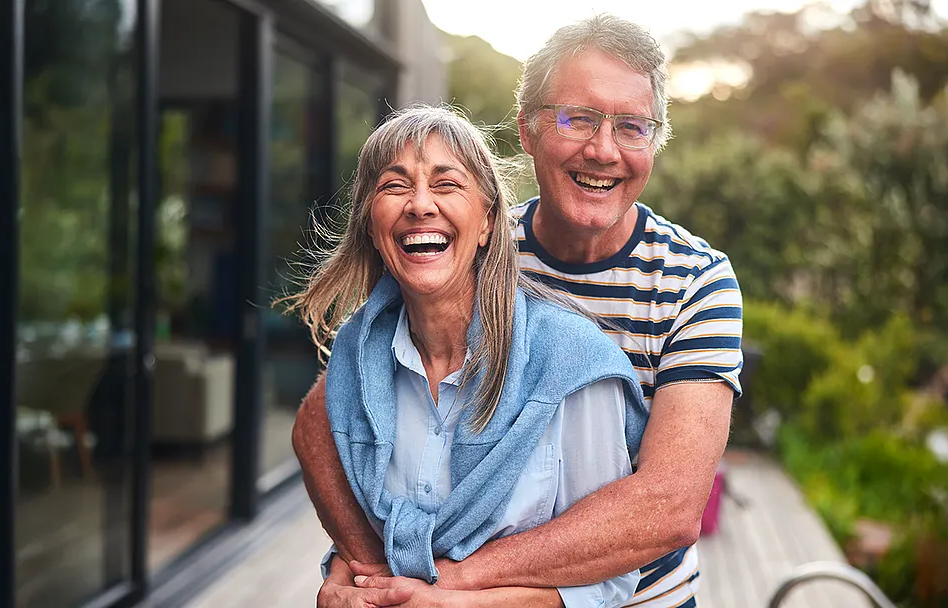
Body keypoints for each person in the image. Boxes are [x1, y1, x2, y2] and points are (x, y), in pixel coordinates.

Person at [295, 14, 744, 608]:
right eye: (578, 118)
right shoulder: (462, 242)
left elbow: (668, 507)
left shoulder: (696, 281)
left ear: (653, 143)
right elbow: (330, 416)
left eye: (632, 127)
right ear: (527, 131)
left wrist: (448, 581)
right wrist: (363, 563)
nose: (603, 150)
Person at [286, 105, 650, 607]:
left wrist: (457, 604)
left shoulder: (570, 364)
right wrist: (342, 584)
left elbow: (608, 581)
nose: (419, 205)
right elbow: (378, 529)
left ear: (487, 223)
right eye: (394, 186)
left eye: (447, 184)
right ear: (371, 226)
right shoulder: (359, 357)